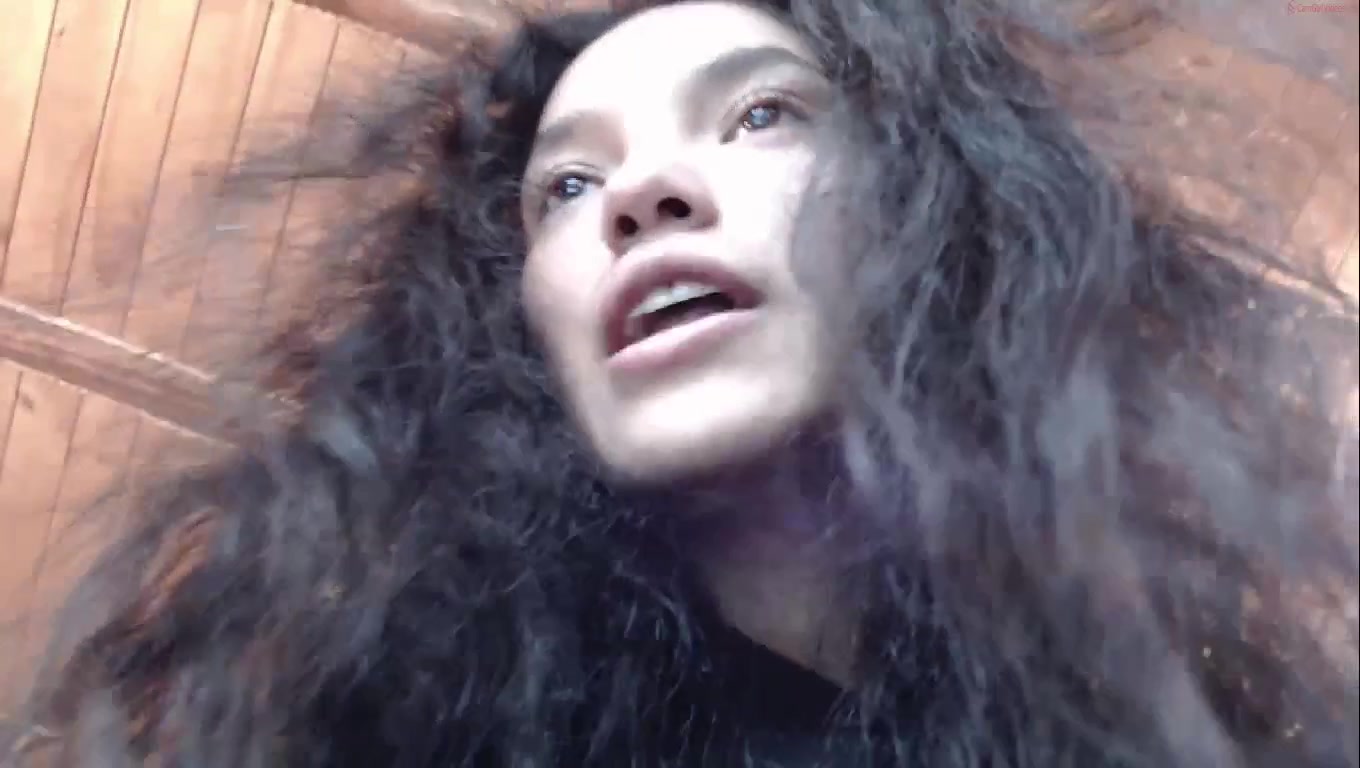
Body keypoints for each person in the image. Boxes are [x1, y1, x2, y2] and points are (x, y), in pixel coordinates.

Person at [7, 0, 1357, 765]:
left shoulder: (1179, 710)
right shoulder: (393, 733)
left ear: (927, 205)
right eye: (567, 186)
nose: (643, 192)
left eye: (760, 114)